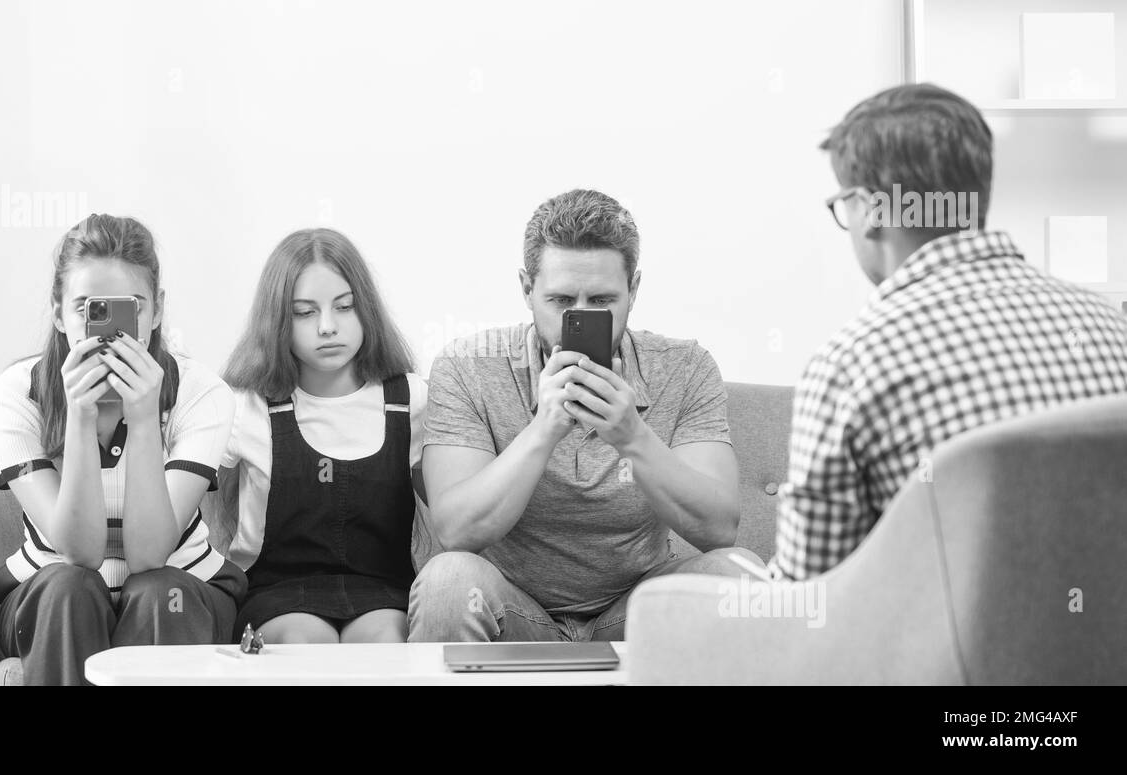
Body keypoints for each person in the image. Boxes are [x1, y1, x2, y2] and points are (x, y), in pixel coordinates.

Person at [770, 83, 1127, 580]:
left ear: (872, 209)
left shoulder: (852, 363)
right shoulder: (1113, 329)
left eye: (842, 206)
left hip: (954, 657)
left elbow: (808, 603)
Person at [410, 188, 758, 643]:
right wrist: (544, 429)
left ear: (633, 290)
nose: (581, 315)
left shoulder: (685, 367)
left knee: (740, 575)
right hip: (513, 609)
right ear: (526, 288)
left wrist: (632, 435)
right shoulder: (468, 366)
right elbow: (456, 531)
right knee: (448, 580)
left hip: (635, 613)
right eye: (560, 301)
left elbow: (719, 529)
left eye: (601, 300)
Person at [0, 214, 245, 685]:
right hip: (53, 594)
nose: (104, 328)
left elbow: (148, 556)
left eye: (130, 307)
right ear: (58, 312)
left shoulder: (202, 393)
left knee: (160, 592)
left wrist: (143, 421)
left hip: (180, 588)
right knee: (69, 587)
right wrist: (79, 422)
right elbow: (78, 552)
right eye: (86, 307)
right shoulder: (12, 396)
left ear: (157, 311)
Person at [219, 228, 427, 644]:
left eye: (345, 307)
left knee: (385, 642)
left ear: (365, 308)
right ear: (277, 319)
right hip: (277, 595)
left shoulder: (411, 399)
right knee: (304, 645)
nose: (328, 327)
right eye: (304, 312)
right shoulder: (246, 405)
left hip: (386, 594)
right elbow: (200, 515)